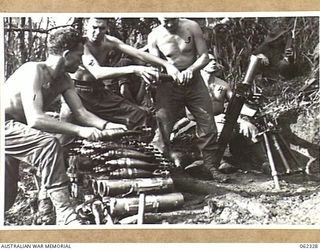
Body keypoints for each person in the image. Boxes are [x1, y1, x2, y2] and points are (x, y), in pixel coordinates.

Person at [4, 27, 121, 225]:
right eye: (79, 55)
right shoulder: (34, 70)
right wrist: (80, 131)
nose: (81, 61)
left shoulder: (64, 80)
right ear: (66, 55)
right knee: (48, 143)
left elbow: (82, 113)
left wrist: (109, 126)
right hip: (5, 125)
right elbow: (36, 119)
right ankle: (66, 215)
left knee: (6, 193)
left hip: (16, 132)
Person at [62, 17, 180, 132]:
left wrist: (166, 64)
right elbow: (97, 72)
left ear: (107, 27)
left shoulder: (110, 42)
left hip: (98, 91)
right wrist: (134, 69)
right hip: (76, 91)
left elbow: (138, 54)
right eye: (94, 27)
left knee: (140, 116)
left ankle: (146, 146)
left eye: (101, 28)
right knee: (67, 132)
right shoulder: (82, 45)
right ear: (87, 24)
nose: (97, 32)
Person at [147, 18, 223, 180]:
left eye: (172, 20)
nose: (169, 25)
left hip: (194, 82)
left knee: (207, 122)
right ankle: (160, 168)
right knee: (163, 126)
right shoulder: (154, 36)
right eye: (164, 21)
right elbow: (156, 65)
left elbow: (204, 56)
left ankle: (210, 167)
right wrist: (161, 74)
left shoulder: (192, 27)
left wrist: (191, 69)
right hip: (168, 84)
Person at [173, 54, 260, 174]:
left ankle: (264, 161)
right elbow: (185, 111)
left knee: (249, 127)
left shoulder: (223, 85)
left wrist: (248, 108)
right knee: (216, 127)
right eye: (209, 60)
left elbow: (235, 104)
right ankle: (218, 161)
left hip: (220, 117)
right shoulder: (191, 84)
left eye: (215, 60)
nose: (213, 62)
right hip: (196, 120)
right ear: (201, 64)